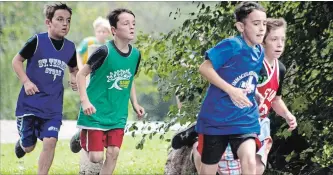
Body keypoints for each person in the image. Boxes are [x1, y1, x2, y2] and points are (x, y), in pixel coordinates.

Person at [171, 17, 297, 175]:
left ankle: (198, 132)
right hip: (237, 118)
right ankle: (197, 133)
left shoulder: (281, 69)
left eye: (282, 40)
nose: (279, 44)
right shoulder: (251, 61)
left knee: (257, 167)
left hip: (260, 121)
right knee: (215, 161)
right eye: (274, 39)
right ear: (262, 41)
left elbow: (276, 99)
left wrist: (287, 114)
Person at [193, 1, 267, 174]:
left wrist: (254, 92)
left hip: (244, 118)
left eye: (264, 23)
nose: (262, 28)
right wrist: (231, 90)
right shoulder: (232, 45)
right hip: (216, 120)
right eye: (256, 24)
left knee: (249, 159)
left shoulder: (259, 51)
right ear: (241, 26)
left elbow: (244, 76)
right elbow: (204, 68)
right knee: (208, 170)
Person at [73, 8, 145, 175]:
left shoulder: (136, 54)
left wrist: (135, 103)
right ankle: (81, 136)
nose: (131, 27)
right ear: (114, 30)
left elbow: (130, 77)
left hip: (117, 113)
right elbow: (81, 74)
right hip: (96, 111)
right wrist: (85, 101)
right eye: (126, 23)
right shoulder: (103, 51)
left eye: (133, 23)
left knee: (113, 153)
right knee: (96, 157)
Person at [12, 3, 78, 175]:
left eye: (68, 20)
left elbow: (73, 68)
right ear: (48, 22)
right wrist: (26, 82)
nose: (65, 24)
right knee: (29, 147)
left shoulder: (70, 47)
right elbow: (16, 61)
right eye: (60, 19)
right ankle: (22, 143)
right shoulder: (37, 41)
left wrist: (73, 77)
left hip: (53, 107)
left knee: (50, 142)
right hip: (30, 104)